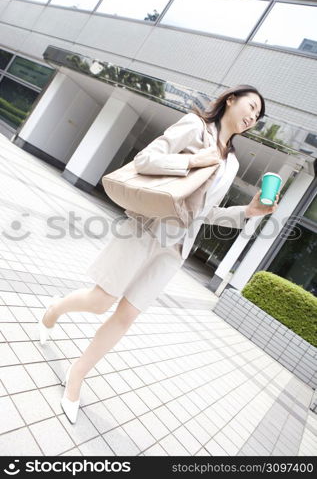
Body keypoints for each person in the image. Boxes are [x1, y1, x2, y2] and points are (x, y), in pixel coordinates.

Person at [38, 84, 280, 424]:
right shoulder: (195, 126)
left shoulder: (233, 161)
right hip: (146, 227)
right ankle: (54, 309)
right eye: (251, 107)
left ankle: (76, 377)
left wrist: (247, 213)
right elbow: (145, 160)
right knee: (100, 302)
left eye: (257, 116)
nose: (252, 117)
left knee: (126, 316)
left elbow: (204, 213)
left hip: (175, 249)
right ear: (231, 100)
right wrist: (195, 160)